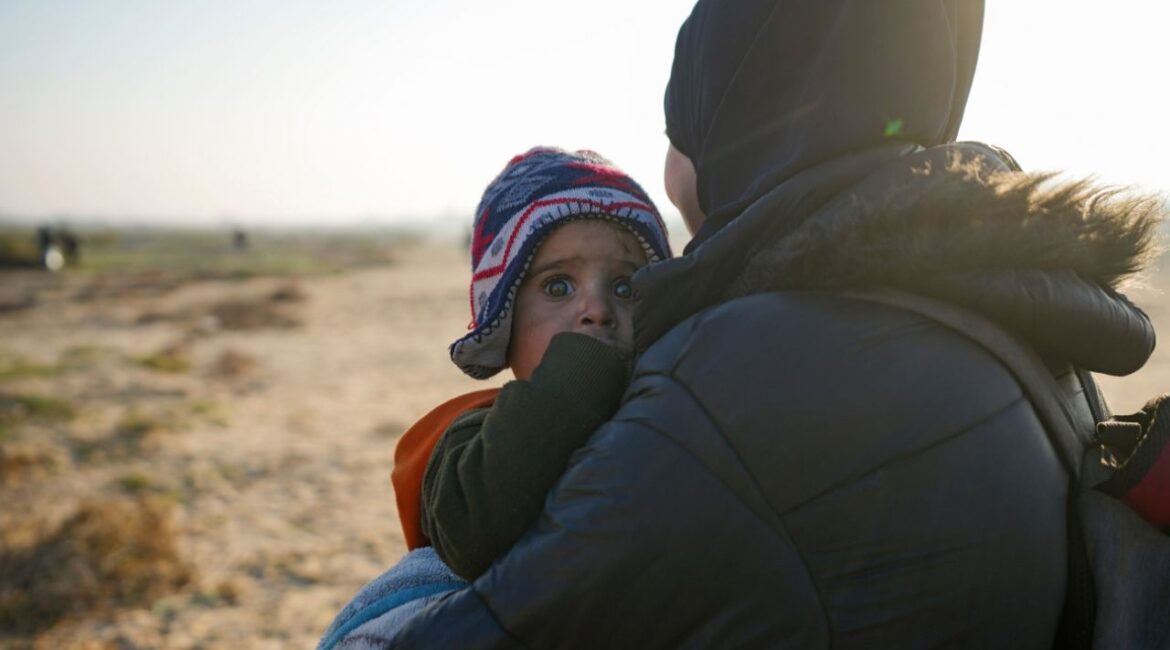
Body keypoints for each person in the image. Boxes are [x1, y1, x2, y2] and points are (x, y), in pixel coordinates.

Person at [384, 1, 1163, 648]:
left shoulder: (739, 370)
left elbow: (487, 626)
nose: (671, 169)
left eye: (678, 132)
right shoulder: (992, 299)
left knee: (401, 594)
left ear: (743, 116)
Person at [318, 147, 672, 648]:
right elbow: (473, 536)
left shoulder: (673, 408)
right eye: (558, 287)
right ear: (503, 323)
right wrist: (575, 379)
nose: (596, 309)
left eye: (625, 285)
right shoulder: (471, 435)